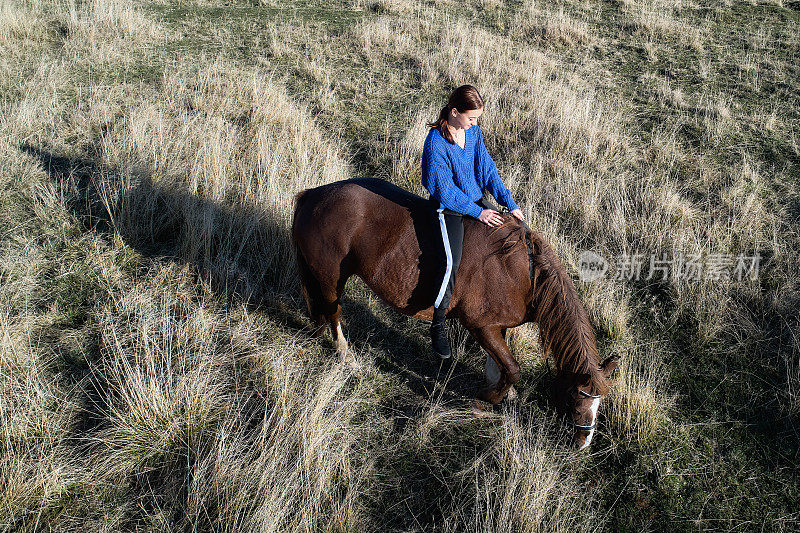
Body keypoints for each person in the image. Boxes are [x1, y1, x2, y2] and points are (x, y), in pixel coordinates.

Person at [421, 84, 525, 358]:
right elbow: (443, 189)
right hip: (449, 210)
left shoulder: (473, 133)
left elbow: (487, 169)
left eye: (477, 118)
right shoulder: (435, 143)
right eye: (472, 117)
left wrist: (509, 203)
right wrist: (476, 212)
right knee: (451, 261)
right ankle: (438, 322)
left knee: (515, 234)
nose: (475, 123)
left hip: (477, 202)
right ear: (455, 112)